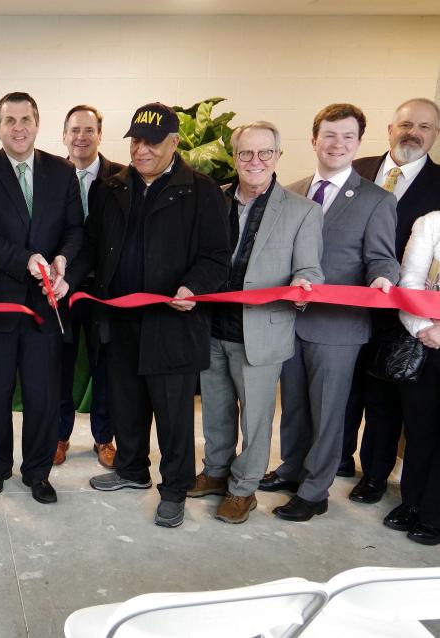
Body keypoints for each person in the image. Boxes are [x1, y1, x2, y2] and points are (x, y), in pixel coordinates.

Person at [68, 102, 231, 528]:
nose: (141, 150)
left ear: (174, 143)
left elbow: (217, 256)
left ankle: (174, 489)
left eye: (152, 142)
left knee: (173, 414)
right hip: (119, 319)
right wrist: (74, 275)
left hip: (173, 321)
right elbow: (91, 244)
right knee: (127, 404)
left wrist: (193, 286)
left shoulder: (201, 191)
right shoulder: (111, 188)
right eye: (136, 140)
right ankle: (131, 470)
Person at [262, 103, 399, 522]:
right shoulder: (292, 189)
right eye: (330, 135)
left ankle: (315, 490)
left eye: (347, 137)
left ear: (358, 143)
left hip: (338, 327)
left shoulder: (377, 199)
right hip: (290, 318)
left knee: (328, 411)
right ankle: (291, 468)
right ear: (314, 139)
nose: (337, 144)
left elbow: (382, 258)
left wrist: (383, 279)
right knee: (295, 406)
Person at [190, 122, 323, 524]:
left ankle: (243, 489)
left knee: (256, 417)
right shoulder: (213, 200)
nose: (255, 161)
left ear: (278, 157)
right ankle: (215, 472)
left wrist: (304, 286)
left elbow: (311, 271)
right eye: (246, 153)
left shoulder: (303, 211)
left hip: (261, 332)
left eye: (265, 153)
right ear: (235, 158)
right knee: (214, 410)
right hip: (212, 326)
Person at [0, 92, 84, 505]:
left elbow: (75, 229)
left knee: (43, 395)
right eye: (9, 120)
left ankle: (38, 472)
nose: (18, 127)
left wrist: (61, 260)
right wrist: (26, 260)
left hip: (45, 306)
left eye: (26, 119)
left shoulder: (62, 171)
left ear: (38, 124)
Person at [342, 98, 440, 503]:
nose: (412, 132)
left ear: (434, 136)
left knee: (385, 397)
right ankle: (337, 458)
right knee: (342, 391)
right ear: (389, 127)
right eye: (405, 124)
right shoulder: (357, 168)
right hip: (345, 302)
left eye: (424, 127)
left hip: (403, 312)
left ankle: (376, 474)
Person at [55, 104, 124, 468]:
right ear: (64, 136)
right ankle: (59, 435)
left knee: (105, 366)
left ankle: (104, 438)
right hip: (61, 288)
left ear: (100, 134)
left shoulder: (121, 178)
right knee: (60, 364)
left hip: (105, 291)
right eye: (74, 130)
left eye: (88, 130)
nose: (81, 137)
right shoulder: (50, 174)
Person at [392, 209, 440, 545]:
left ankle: (434, 515)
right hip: (428, 344)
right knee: (420, 430)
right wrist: (424, 328)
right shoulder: (431, 223)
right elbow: (409, 284)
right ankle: (412, 502)